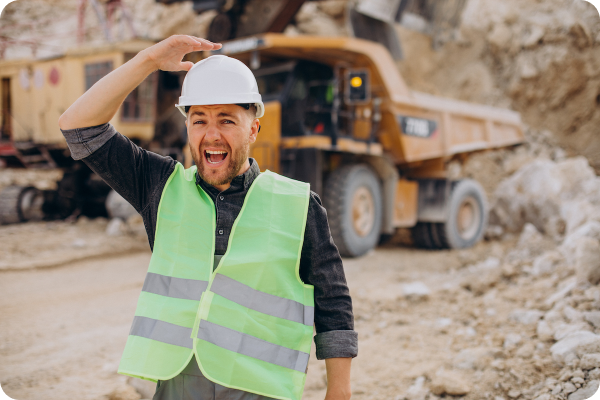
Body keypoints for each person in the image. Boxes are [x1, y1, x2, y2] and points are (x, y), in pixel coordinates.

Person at [58, 35, 357, 400]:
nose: (211, 135)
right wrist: (149, 60)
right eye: (199, 120)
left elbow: (333, 303)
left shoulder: (298, 205)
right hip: (179, 385)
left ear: (253, 129)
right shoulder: (160, 187)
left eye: (227, 120)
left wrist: (339, 391)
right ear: (187, 127)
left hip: (261, 388)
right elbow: (79, 127)